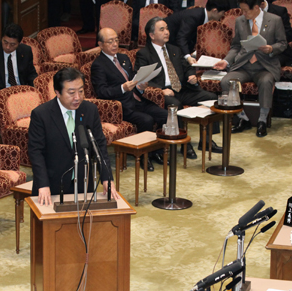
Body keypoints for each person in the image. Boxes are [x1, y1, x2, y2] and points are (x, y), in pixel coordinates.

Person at [27, 67, 119, 206]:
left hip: (83, 183)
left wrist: (107, 178)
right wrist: (43, 184)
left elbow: (99, 145)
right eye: (71, 93)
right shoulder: (41, 115)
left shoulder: (89, 110)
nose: (77, 97)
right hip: (52, 184)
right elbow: (36, 152)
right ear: (57, 92)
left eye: (81, 91)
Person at [135, 17, 219, 160]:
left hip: (181, 89)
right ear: (152, 35)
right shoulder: (144, 54)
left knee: (212, 98)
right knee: (176, 105)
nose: (167, 32)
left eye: (167, 28)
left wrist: (192, 77)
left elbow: (187, 68)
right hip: (163, 92)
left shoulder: (174, 49)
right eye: (162, 29)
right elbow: (141, 78)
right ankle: (185, 144)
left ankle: (206, 141)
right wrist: (160, 91)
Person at [91, 27, 168, 172]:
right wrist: (122, 88)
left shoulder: (123, 58)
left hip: (137, 99)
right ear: (100, 45)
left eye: (116, 40)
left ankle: (157, 153)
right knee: (146, 120)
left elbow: (133, 79)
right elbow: (101, 91)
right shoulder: (98, 65)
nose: (115, 44)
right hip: (121, 107)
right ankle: (144, 156)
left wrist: (141, 86)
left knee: (164, 115)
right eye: (110, 41)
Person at [213, 0, 287, 138]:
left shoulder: (275, 20)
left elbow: (283, 43)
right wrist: (225, 61)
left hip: (265, 65)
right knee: (226, 81)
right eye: (242, 10)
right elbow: (235, 46)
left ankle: (262, 121)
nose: (243, 13)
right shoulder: (240, 21)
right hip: (244, 65)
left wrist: (271, 48)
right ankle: (243, 118)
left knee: (266, 82)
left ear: (257, 8)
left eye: (246, 10)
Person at [164, 0, 231, 64]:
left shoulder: (202, 15)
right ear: (215, 11)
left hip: (175, 44)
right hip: (167, 43)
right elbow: (181, 37)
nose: (223, 16)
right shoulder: (194, 16)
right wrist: (188, 56)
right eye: (223, 13)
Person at [262, 0, 292, 67]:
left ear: (261, 3)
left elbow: (289, 35)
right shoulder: (249, 12)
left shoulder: (279, 11)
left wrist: (271, 44)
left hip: (279, 53)